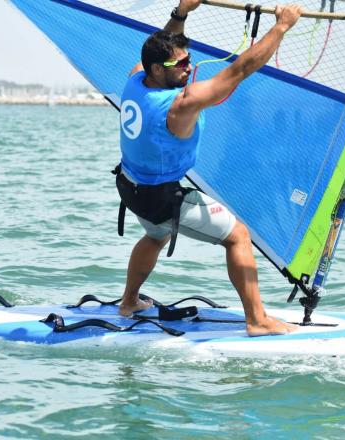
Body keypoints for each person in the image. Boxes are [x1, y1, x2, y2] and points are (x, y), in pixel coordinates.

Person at [115, 0, 303, 336]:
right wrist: (281, 27)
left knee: (156, 234)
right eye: (181, 63)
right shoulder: (179, 105)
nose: (189, 67)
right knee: (238, 236)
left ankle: (129, 302)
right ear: (158, 70)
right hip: (159, 196)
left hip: (130, 187)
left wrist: (181, 14)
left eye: (189, 59)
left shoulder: (136, 78)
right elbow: (239, 71)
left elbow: (163, 45)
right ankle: (257, 320)